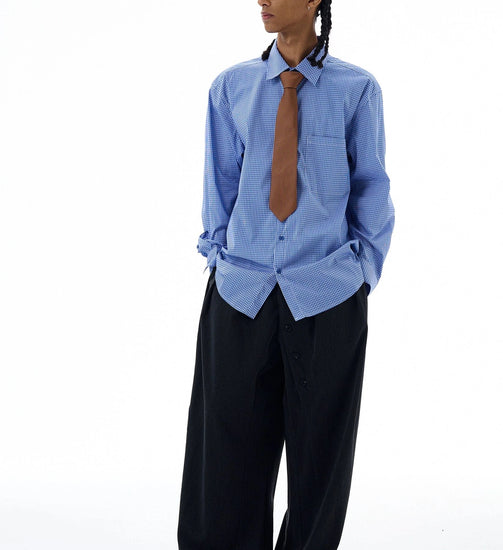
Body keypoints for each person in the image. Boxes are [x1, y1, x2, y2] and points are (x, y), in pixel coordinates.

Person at [177, 0, 395, 548]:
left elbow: (371, 185)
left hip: (326, 293)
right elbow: (218, 182)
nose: (263, 0)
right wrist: (218, 258)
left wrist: (361, 272)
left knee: (320, 457)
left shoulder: (357, 90)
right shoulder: (231, 87)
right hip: (240, 292)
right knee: (223, 458)